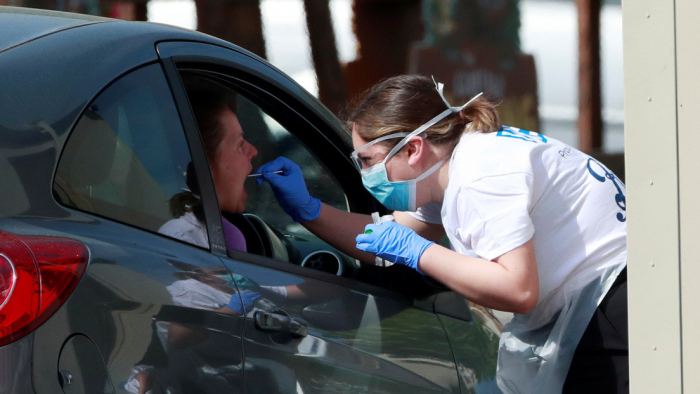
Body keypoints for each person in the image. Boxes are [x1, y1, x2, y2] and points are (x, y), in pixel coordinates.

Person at [254, 75, 628, 393]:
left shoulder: (477, 176)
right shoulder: (459, 166)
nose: (365, 174)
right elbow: (385, 239)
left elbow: (519, 289)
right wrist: (310, 210)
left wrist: (420, 253)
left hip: (613, 310)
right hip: (609, 302)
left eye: (367, 160)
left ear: (413, 148)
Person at [159, 89, 257, 252]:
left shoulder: (222, 232)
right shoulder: (183, 240)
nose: (253, 151)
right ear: (206, 168)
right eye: (240, 144)